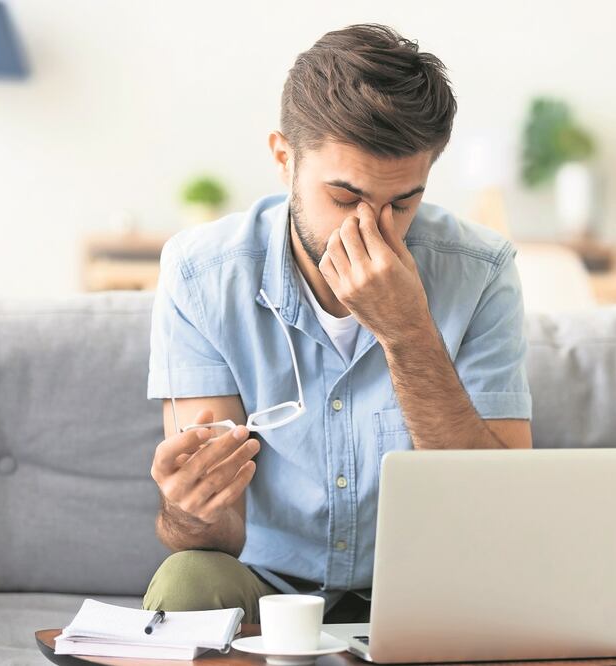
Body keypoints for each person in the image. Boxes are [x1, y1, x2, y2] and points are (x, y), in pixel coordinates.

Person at [143, 23, 532, 625]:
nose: (371, 230)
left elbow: (499, 513)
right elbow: (212, 536)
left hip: (433, 589)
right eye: (346, 199)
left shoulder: (481, 271)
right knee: (188, 579)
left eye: (402, 202)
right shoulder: (201, 275)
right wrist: (189, 510)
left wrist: (408, 333)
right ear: (283, 159)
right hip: (271, 587)